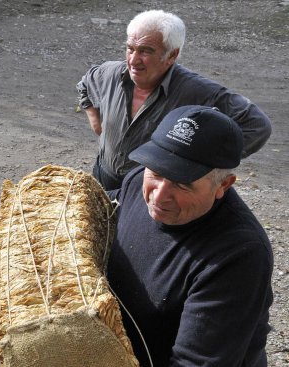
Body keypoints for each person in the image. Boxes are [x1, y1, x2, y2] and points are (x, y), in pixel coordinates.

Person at [106, 105, 273, 367]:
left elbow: (195, 363)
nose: (158, 196)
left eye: (182, 184)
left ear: (223, 185)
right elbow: (106, 206)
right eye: (157, 172)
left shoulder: (239, 255)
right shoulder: (139, 178)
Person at [76, 9, 272, 190]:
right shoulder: (109, 73)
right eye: (130, 48)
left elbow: (257, 126)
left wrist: (202, 162)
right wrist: (97, 124)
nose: (133, 60)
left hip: (151, 190)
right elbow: (86, 82)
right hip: (103, 179)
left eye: (146, 51)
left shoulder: (197, 91)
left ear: (172, 54)